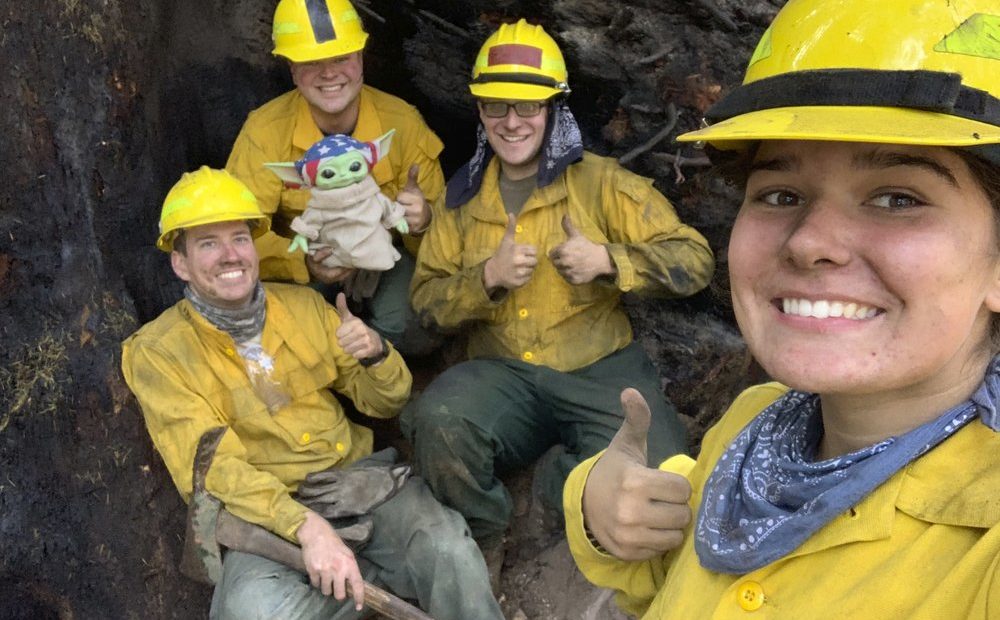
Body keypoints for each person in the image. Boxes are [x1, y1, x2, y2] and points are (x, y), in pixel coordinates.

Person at [565, 1, 1000, 618]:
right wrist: (602, 509)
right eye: (780, 194)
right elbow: (683, 573)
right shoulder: (753, 426)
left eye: (898, 198)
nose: (809, 242)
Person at [121, 167, 502, 619]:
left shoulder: (303, 306)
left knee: (450, 554)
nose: (230, 256)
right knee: (253, 614)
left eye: (240, 239)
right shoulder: (157, 353)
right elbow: (212, 472)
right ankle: (365, 581)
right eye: (208, 244)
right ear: (180, 263)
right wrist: (305, 527)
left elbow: (387, 402)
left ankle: (360, 578)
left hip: (358, 482)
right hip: (266, 518)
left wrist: (377, 355)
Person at [402, 19, 715, 563]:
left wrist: (608, 260)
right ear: (479, 111)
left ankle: (551, 490)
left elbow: (695, 261)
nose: (512, 121)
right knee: (439, 421)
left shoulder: (601, 182)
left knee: (663, 477)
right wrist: (486, 281)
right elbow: (426, 305)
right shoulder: (461, 199)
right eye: (497, 106)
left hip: (599, 366)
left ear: (553, 109)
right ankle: (489, 530)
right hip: (503, 373)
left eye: (528, 106)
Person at [226, 0, 443, 356]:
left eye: (341, 57)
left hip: (382, 258)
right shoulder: (264, 132)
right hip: (306, 269)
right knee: (288, 335)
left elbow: (448, 240)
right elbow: (236, 237)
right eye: (312, 62)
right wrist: (303, 262)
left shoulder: (401, 123)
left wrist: (424, 221)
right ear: (292, 69)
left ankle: (380, 371)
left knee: (417, 325)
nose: (329, 73)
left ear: (360, 58)